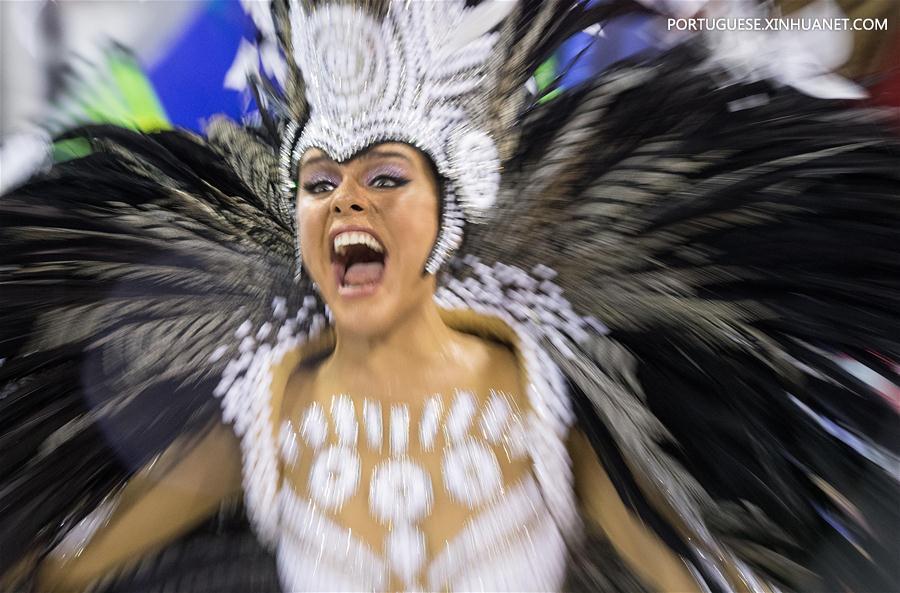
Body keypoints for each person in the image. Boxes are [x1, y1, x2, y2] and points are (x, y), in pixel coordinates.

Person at [1, 1, 898, 592]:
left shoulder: (539, 393)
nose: (347, 200)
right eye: (321, 184)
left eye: (385, 178)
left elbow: (690, 571)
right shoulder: (268, 411)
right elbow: (64, 571)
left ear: (448, 214)